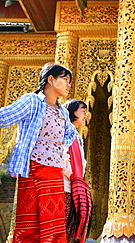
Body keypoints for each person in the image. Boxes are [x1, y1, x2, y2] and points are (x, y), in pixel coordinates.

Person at [0, 63, 78, 242]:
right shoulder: (32, 101)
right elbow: (5, 116)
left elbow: (70, 135)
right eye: (65, 80)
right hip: (34, 167)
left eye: (69, 81)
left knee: (54, 223)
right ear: (51, 79)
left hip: (54, 171)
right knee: (30, 223)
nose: (68, 85)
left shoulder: (63, 112)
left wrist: (55, 149)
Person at [63, 99, 90, 242]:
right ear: (73, 112)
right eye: (83, 112)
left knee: (72, 226)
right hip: (64, 186)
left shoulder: (77, 136)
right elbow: (61, 155)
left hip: (75, 186)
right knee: (63, 225)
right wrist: (72, 174)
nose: (86, 115)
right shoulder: (64, 131)